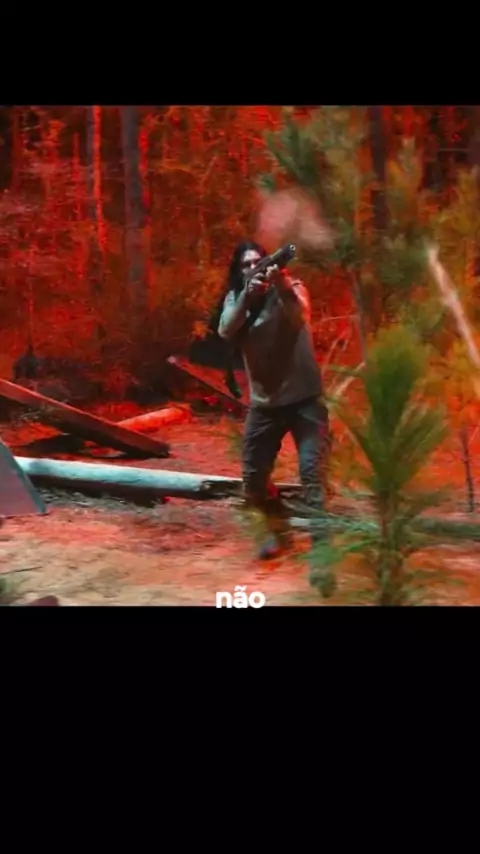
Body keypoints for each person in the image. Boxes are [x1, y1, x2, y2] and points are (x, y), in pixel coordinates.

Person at [218, 240, 331, 560]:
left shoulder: (291, 288)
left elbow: (299, 316)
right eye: (245, 264)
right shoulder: (236, 298)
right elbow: (226, 329)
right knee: (253, 479)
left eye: (257, 261)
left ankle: (322, 549)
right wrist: (246, 296)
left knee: (312, 474)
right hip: (265, 404)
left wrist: (279, 283)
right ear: (238, 271)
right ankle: (280, 532)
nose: (251, 267)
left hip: (305, 399)